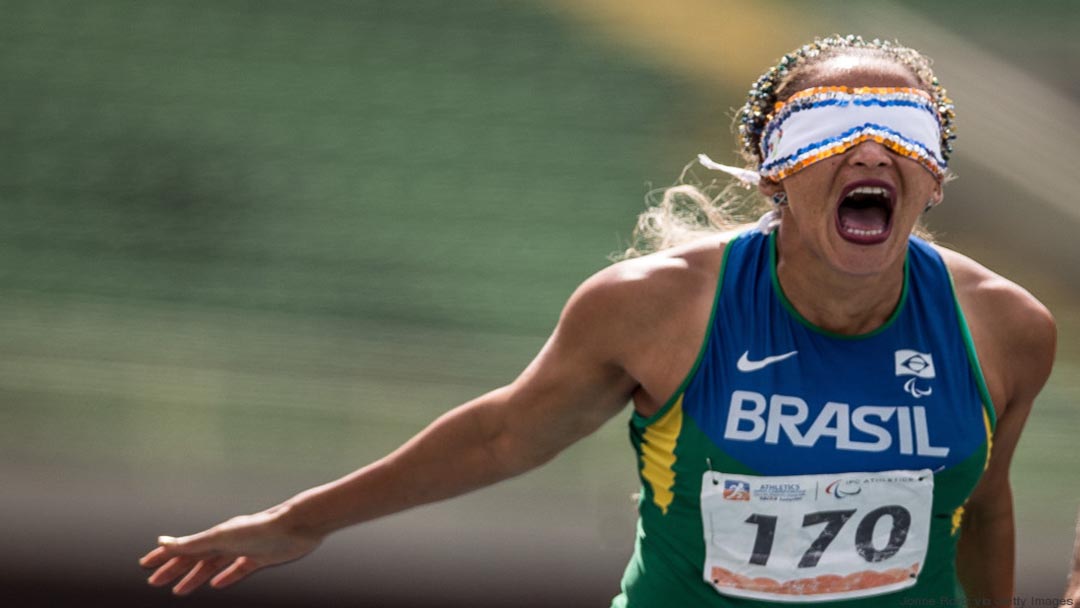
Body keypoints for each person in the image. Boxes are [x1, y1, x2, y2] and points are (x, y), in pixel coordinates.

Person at [140, 35, 1057, 606]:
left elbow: (983, 507)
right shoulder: (657, 305)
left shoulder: (1004, 330)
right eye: (831, 129)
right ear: (775, 173)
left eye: (905, 132)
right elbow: (504, 435)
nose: (872, 150)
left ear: (935, 176)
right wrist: (307, 520)